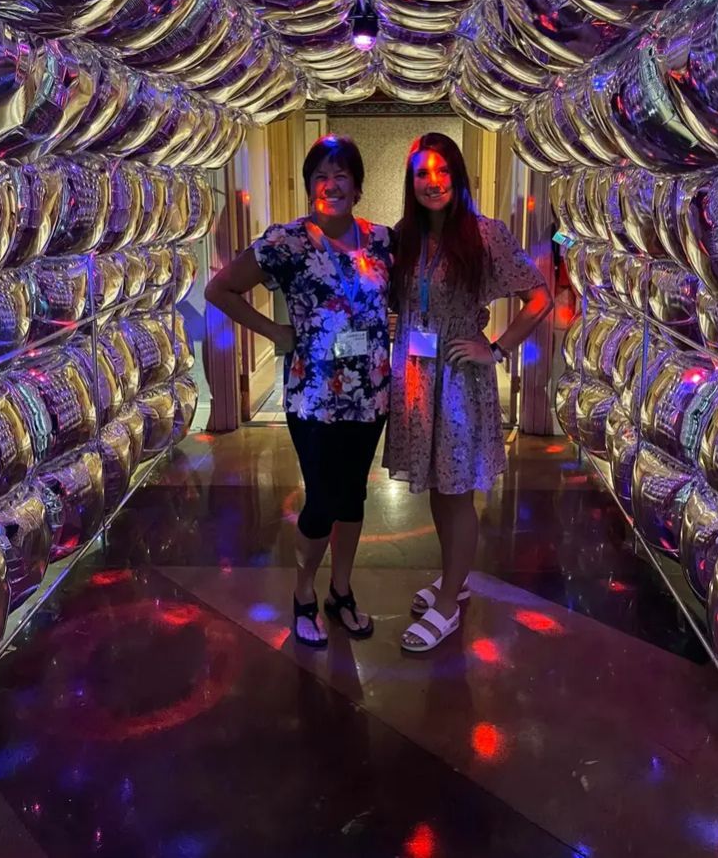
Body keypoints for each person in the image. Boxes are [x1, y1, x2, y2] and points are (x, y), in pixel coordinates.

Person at [205, 135, 393, 649]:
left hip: (372, 394)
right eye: (321, 176)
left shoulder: (382, 240)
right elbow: (219, 288)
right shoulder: (285, 242)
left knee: (353, 496)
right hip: (314, 396)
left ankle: (341, 590)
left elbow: (417, 292)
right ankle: (304, 593)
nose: (331, 185)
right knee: (322, 500)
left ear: (357, 185)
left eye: (341, 175)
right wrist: (275, 333)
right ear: (311, 186)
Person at [384, 132, 553, 653]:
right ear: (410, 183)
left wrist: (496, 349)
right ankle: (450, 581)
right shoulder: (403, 238)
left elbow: (539, 297)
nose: (432, 182)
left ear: (457, 177)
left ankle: (449, 603)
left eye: (442, 171)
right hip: (414, 377)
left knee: (458, 493)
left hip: (459, 380)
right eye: (421, 173)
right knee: (439, 486)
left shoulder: (485, 234)